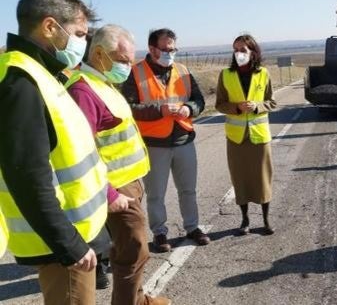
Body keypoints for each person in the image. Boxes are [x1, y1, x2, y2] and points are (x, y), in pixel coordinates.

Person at [0, 0, 109, 304]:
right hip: (63, 246)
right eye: (79, 33)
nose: (83, 42)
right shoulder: (21, 83)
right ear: (50, 27)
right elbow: (28, 176)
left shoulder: (45, 74)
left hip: (76, 236)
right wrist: (69, 245)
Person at [66, 25, 170, 304]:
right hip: (115, 187)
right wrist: (109, 192)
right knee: (135, 250)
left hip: (130, 182)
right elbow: (79, 150)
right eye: (123, 60)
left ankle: (139, 299)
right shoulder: (84, 92)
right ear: (99, 54)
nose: (128, 65)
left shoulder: (103, 85)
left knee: (127, 249)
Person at [122, 28, 209, 252]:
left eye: (173, 48)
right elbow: (129, 108)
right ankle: (160, 233)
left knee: (188, 190)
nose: (171, 52)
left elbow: (198, 99)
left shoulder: (182, 70)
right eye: (166, 49)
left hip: (184, 140)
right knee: (156, 194)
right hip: (154, 144)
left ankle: (192, 227)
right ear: (152, 49)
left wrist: (190, 109)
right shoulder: (136, 72)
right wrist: (159, 110)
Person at [215, 34, 277, 235]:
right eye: (236, 49)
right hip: (236, 138)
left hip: (259, 135)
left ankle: (266, 220)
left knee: (262, 178)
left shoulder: (263, 73)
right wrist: (237, 108)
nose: (239, 53)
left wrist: (257, 106)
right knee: (240, 178)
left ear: (253, 52)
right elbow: (220, 104)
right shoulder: (225, 74)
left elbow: (272, 102)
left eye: (243, 50)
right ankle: (245, 220)